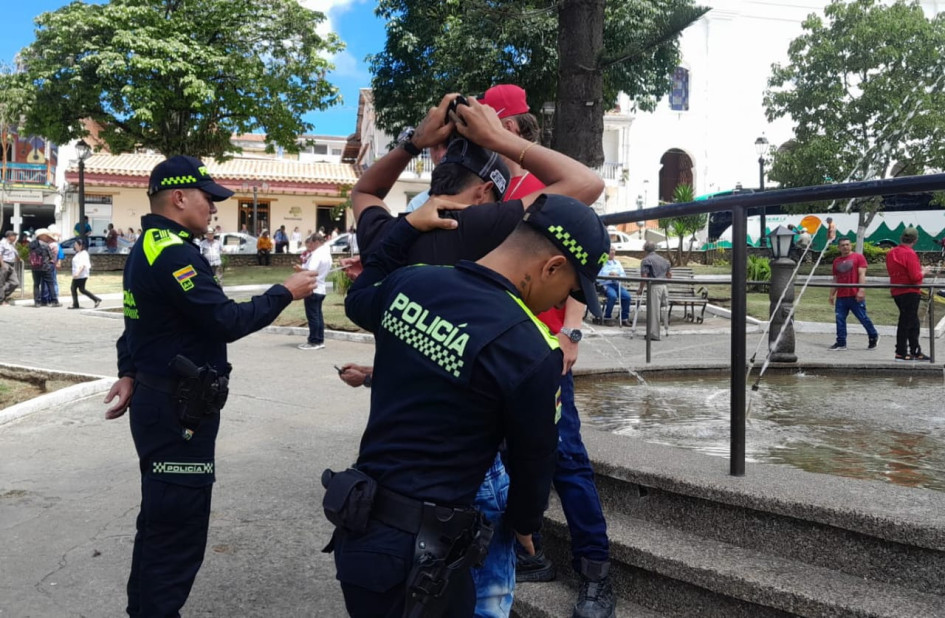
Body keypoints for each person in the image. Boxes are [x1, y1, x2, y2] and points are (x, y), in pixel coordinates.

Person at [350, 94, 606, 618]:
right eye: (568, 288)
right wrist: (503, 141)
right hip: (456, 497)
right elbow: (584, 186)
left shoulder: (404, 269)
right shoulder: (486, 230)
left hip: (371, 512)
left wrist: (412, 146)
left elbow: (364, 193)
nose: (564, 302)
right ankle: (592, 573)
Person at [101, 155, 319, 617]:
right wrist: (285, 291)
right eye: (208, 198)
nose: (214, 208)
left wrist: (128, 371)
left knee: (160, 523)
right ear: (179, 197)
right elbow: (223, 320)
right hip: (177, 410)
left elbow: (137, 324)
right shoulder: (174, 252)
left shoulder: (151, 245)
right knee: (177, 529)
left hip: (163, 401)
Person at [885, 227, 931, 361]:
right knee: (906, 321)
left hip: (897, 291)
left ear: (901, 238)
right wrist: (924, 271)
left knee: (913, 321)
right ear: (915, 240)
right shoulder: (909, 253)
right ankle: (901, 352)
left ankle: (915, 350)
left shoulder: (891, 253)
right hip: (910, 291)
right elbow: (915, 277)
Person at [828, 238, 878, 351]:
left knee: (862, 318)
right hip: (841, 296)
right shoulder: (836, 261)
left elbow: (862, 274)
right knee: (839, 318)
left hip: (855, 294)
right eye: (842, 245)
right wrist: (831, 294)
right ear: (839, 247)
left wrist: (861, 290)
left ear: (851, 245)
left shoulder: (858, 257)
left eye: (847, 244)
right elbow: (835, 279)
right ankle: (841, 342)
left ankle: (873, 335)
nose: (845, 247)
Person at [297, 233, 331, 350]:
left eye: (311, 243)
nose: (310, 246)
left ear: (316, 242)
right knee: (318, 315)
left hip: (313, 287)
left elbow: (310, 271)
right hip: (321, 287)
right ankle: (319, 339)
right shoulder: (327, 254)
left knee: (313, 316)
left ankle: (314, 341)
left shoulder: (317, 254)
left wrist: (300, 269)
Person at [637, 241, 672, 341]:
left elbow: (644, 276)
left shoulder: (646, 260)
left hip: (654, 287)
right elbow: (669, 275)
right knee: (661, 310)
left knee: (654, 311)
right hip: (664, 286)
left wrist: (640, 289)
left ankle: (654, 334)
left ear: (645, 250)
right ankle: (664, 329)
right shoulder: (664, 260)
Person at [596, 247, 632, 326]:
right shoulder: (602, 262)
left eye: (613, 250)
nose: (612, 252)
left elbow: (624, 275)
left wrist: (618, 275)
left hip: (616, 284)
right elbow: (597, 276)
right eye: (610, 250)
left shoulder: (617, 263)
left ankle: (624, 318)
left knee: (627, 297)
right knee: (612, 296)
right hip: (605, 284)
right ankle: (607, 317)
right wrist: (608, 274)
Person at [67, 238, 102, 309]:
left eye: (76, 245)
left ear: (81, 246)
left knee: (74, 288)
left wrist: (77, 273)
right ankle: (96, 299)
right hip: (79, 275)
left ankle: (76, 304)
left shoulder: (84, 254)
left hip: (81, 275)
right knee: (81, 289)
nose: (75, 246)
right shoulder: (78, 253)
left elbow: (83, 265)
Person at [28, 229, 57, 308]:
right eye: (46, 235)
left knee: (36, 285)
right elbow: (51, 256)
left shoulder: (31, 245)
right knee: (50, 283)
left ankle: (37, 302)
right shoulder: (45, 245)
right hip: (45, 267)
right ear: (41, 236)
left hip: (35, 268)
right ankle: (54, 300)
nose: (47, 237)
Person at [1, 230, 21, 304]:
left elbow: (15, 254)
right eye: (14, 236)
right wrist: (3, 265)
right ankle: (1, 300)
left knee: (15, 282)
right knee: (1, 282)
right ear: (9, 236)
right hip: (4, 263)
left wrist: (18, 258)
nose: (15, 237)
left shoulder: (12, 244)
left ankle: (3, 295)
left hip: (11, 264)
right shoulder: (2, 243)